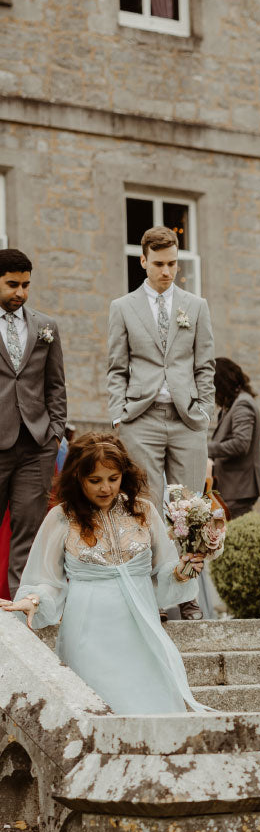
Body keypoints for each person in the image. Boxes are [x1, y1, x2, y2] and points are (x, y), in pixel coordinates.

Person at [0, 432, 206, 714]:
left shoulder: (143, 511)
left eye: (113, 477)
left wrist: (184, 572)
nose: (106, 488)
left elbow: (165, 570)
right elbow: (46, 580)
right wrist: (32, 600)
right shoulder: (61, 517)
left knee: (152, 711)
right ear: (77, 478)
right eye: (94, 480)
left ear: (124, 474)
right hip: (87, 633)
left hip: (141, 630)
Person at [106, 224, 215, 619]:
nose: (167, 271)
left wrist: (204, 410)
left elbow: (205, 365)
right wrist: (118, 413)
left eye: (173, 263)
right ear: (143, 261)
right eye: (159, 264)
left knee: (189, 510)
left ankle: (187, 595)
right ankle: (156, 597)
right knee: (146, 506)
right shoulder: (122, 307)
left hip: (187, 419)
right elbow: (116, 367)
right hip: (141, 417)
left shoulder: (196, 305)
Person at [0, 247, 67, 595]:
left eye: (26, 285)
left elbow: (56, 385)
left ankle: (19, 610)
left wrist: (54, 432)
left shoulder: (46, 327)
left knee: (28, 531)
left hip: (36, 445)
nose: (21, 293)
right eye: (13, 284)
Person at [207, 357, 260, 520]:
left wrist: (205, 449)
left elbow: (240, 444)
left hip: (238, 487)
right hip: (233, 486)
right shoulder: (234, 403)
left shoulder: (242, 404)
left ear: (222, 384)